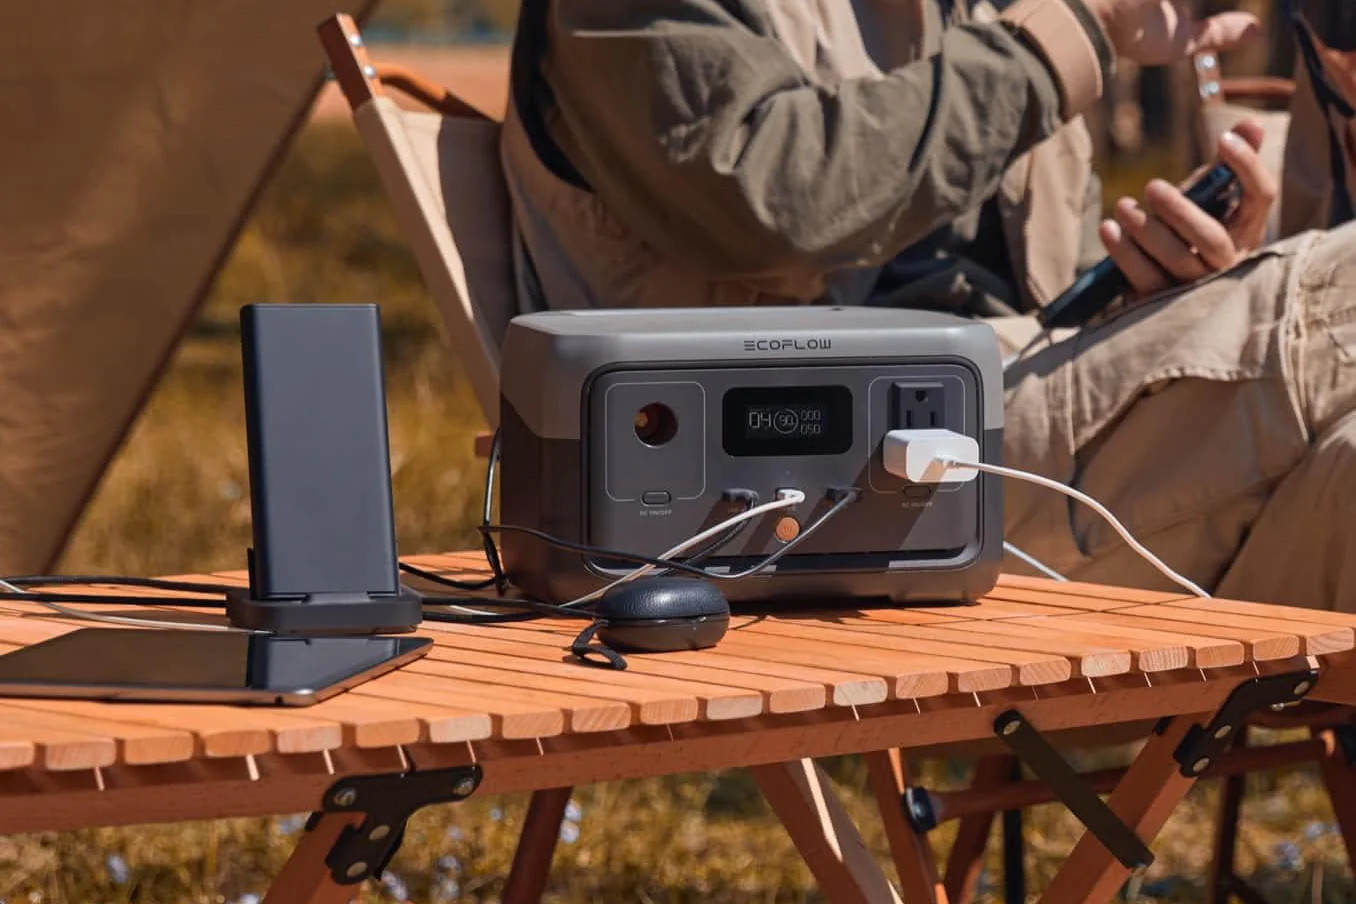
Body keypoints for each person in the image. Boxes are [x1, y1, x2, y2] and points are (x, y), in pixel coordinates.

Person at [498, 0, 1356, 610]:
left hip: (1086, 497)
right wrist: (1068, 36)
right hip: (878, 485)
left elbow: (1049, 327)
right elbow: (780, 199)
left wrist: (1163, 300)